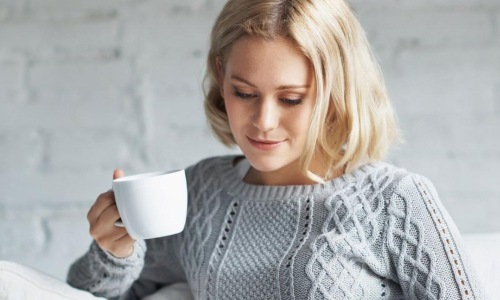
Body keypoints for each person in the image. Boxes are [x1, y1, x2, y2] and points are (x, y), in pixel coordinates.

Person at [67, 0, 485, 299]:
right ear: (220, 76)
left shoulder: (395, 200)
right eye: (244, 93)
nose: (264, 121)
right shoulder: (198, 194)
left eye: (291, 99)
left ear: (336, 94)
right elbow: (90, 293)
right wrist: (114, 249)